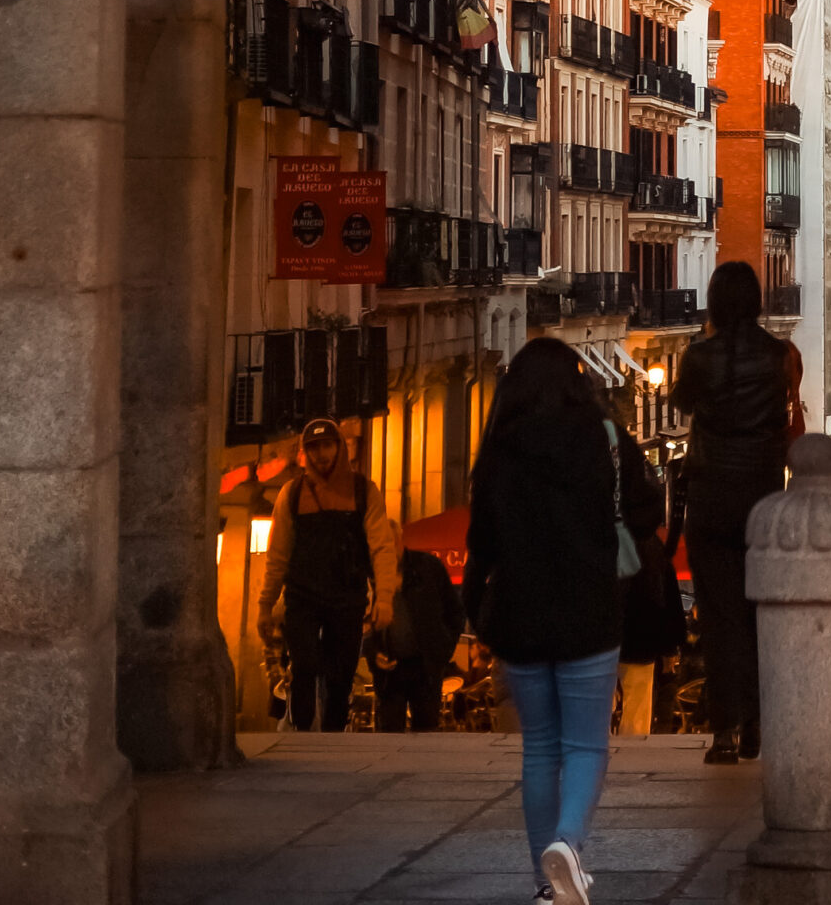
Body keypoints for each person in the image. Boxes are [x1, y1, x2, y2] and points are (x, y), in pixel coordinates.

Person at [463, 338, 621, 905]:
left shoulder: (499, 451)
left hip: (520, 615)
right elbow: (611, 523)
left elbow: (481, 540)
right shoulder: (592, 440)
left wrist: (474, 601)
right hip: (587, 613)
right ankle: (569, 847)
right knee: (585, 746)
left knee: (540, 749)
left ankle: (544, 883)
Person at [672, 260, 801, 764]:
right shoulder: (778, 355)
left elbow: (683, 403)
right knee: (759, 613)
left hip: (711, 496)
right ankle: (756, 724)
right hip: (763, 496)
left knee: (720, 617)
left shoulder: (699, 356)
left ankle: (723, 729)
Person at [257, 416, 397, 731]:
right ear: (305, 452)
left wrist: (384, 598)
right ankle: (302, 732)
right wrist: (265, 605)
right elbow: (277, 555)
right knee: (303, 665)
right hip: (302, 595)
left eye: (327, 445)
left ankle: (334, 735)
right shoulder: (291, 494)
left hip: (347, 596)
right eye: (314, 447)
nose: (322, 454)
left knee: (342, 674)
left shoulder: (364, 492)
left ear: (340, 447)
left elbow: (381, 548)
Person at [612, 416, 681, 737]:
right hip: (641, 639)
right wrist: (669, 645)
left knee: (595, 702)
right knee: (638, 708)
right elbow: (664, 596)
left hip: (601, 637)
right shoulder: (652, 544)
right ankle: (630, 752)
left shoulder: (601, 536)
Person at [372, 546, 465, 731]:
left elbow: (455, 612)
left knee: (426, 728)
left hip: (425, 666)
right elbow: (366, 621)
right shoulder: (373, 571)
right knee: (390, 729)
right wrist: (374, 651)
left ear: (398, 540)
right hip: (391, 668)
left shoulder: (427, 567)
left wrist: (442, 650)